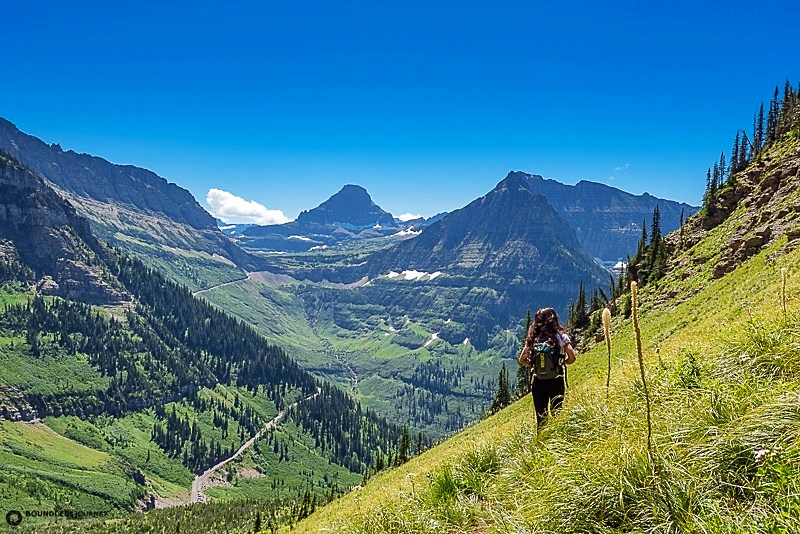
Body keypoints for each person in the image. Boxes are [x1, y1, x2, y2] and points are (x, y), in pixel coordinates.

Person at [518, 307, 576, 426]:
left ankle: (541, 442)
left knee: (541, 418)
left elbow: (522, 359)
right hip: (556, 379)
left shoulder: (533, 338)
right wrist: (561, 361)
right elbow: (572, 357)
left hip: (538, 382)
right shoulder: (561, 336)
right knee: (557, 414)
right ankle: (557, 441)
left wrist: (533, 364)